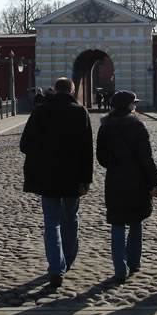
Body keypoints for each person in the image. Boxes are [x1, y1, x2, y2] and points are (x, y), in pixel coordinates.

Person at [20, 77, 93, 287]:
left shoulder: (40, 111)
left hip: (47, 177)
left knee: (51, 223)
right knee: (71, 218)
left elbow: (24, 145)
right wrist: (86, 180)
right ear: (72, 91)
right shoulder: (80, 112)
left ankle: (55, 268)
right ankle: (68, 259)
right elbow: (87, 150)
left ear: (54, 90)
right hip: (73, 177)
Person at [96, 90, 157, 282]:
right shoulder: (138, 125)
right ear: (127, 105)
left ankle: (119, 269)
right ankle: (134, 262)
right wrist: (155, 181)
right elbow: (146, 157)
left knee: (117, 223)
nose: (135, 106)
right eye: (133, 103)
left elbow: (101, 157)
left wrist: (114, 164)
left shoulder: (105, 126)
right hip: (137, 179)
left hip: (115, 179)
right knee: (136, 220)